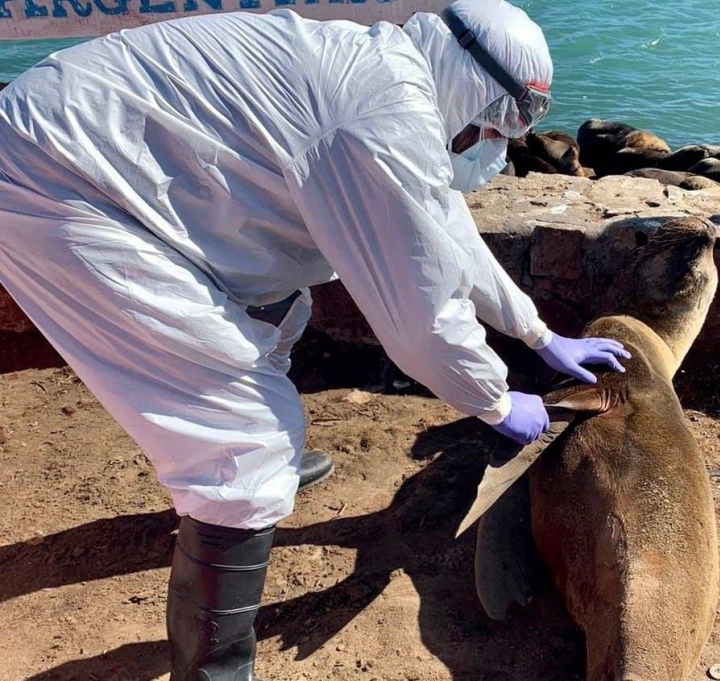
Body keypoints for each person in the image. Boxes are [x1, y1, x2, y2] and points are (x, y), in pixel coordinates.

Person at [0, 0, 629, 678]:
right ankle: (215, 655)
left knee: (277, 303)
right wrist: (500, 402)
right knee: (245, 436)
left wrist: (537, 334)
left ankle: (249, 492)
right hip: (56, 182)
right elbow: (421, 323)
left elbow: (441, 229)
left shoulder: (391, 77)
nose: (494, 148)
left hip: (87, 148)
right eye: (495, 126)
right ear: (473, 83)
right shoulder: (382, 118)